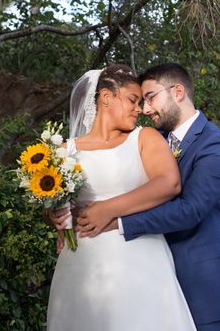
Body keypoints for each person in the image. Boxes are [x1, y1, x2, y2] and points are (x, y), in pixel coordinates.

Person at [77, 63, 220, 331]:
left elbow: (190, 210)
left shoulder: (215, 145)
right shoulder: (150, 140)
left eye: (151, 97)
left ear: (178, 91)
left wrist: (117, 221)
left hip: (207, 285)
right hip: (155, 283)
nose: (146, 110)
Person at [46, 64, 196, 331]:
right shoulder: (64, 151)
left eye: (141, 102)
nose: (140, 110)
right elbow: (54, 202)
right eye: (132, 100)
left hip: (139, 258)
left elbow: (169, 183)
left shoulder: (144, 138)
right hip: (81, 262)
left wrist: (107, 209)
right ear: (106, 97)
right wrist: (55, 215)